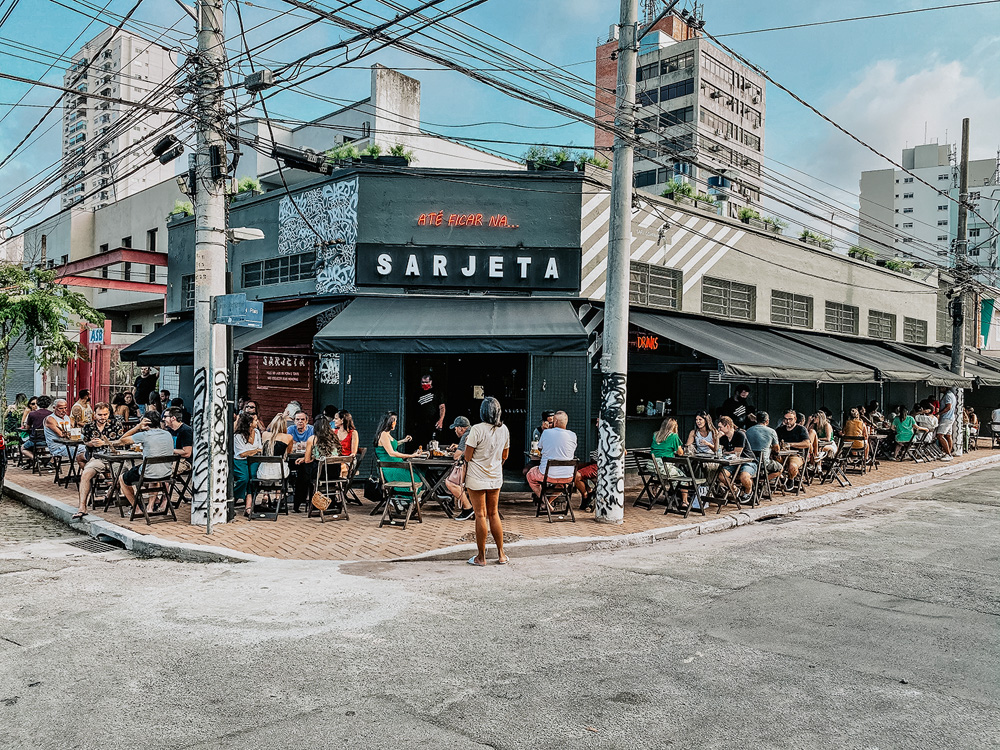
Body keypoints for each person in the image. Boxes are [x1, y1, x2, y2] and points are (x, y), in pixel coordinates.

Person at [463, 397, 510, 566]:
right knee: (494, 513)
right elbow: (505, 455)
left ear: (482, 412)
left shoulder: (476, 429)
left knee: (480, 515)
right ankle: (501, 554)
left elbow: (467, 456)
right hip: (495, 476)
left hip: (476, 477)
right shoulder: (504, 429)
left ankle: (481, 557)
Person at [117, 412, 176, 513]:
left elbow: (122, 440)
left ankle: (137, 509)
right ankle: (150, 507)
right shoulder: (168, 434)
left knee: (122, 478)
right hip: (165, 473)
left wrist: (137, 427)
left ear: (145, 422)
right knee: (154, 478)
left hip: (149, 473)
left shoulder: (144, 435)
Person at [75, 402, 125, 519]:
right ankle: (82, 507)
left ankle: (110, 492)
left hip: (114, 458)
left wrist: (106, 443)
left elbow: (122, 443)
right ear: (95, 415)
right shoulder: (88, 427)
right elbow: (85, 442)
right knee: (85, 474)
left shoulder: (116, 425)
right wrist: (90, 444)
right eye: (100, 415)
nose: (103, 417)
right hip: (98, 457)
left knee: (122, 475)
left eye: (105, 414)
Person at [525, 410, 576, 500]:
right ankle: (549, 502)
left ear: (555, 422)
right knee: (563, 483)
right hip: (568, 476)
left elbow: (539, 448)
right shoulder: (573, 435)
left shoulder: (546, 432)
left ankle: (546, 502)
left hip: (547, 474)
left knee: (530, 475)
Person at [294, 415, 340, 511]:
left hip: (321, 473)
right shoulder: (334, 437)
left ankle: (298, 503)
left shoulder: (313, 439)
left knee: (302, 472)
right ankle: (330, 502)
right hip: (334, 473)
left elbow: (307, 460)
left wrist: (307, 458)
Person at [373, 411, 418, 509]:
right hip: (390, 467)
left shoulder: (387, 434)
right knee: (415, 475)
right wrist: (411, 456)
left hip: (395, 464)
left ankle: (401, 497)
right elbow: (392, 453)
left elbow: (393, 444)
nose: (395, 423)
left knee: (418, 471)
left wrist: (404, 440)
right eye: (394, 421)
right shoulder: (384, 435)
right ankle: (401, 497)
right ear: (389, 422)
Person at [648, 417, 689, 509]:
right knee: (684, 479)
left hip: (652, 465)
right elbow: (680, 453)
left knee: (664, 475)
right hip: (664, 466)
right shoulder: (674, 436)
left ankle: (655, 487)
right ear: (674, 427)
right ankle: (684, 501)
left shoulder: (655, 434)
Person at [716, 416, 756, 504]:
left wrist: (725, 452)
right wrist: (717, 438)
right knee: (721, 475)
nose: (719, 429)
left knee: (744, 477)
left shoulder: (740, 434)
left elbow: (738, 452)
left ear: (728, 426)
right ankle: (734, 489)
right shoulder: (723, 437)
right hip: (732, 463)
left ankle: (748, 492)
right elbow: (718, 450)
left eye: (720, 427)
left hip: (747, 461)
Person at [443, 416, 474, 521]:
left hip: (471, 471)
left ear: (461, 428)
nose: (455, 431)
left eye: (455, 428)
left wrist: (457, 450)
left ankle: (468, 508)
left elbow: (456, 456)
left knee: (450, 482)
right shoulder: (473, 431)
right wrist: (459, 447)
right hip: (480, 468)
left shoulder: (466, 435)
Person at [233, 413, 262, 517]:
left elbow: (260, 448)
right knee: (244, 479)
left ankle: (248, 504)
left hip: (254, 460)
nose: (257, 422)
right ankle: (233, 496)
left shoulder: (257, 432)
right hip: (240, 461)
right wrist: (255, 450)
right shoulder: (237, 436)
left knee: (253, 477)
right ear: (249, 423)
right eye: (255, 420)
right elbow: (242, 453)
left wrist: (252, 451)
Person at [774, 409, 811, 487]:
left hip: (796, 455)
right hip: (782, 454)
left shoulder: (801, 429)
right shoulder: (780, 430)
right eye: (786, 419)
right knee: (772, 464)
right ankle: (781, 478)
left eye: (790, 419)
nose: (788, 421)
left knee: (792, 466)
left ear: (795, 419)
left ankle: (791, 480)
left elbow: (807, 443)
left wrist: (791, 444)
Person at [256, 413, 293, 485]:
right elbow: (289, 452)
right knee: (288, 464)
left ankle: (266, 494)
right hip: (280, 473)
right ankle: (278, 491)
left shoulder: (265, 434)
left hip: (263, 472)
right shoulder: (288, 437)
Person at [746, 411, 782, 482]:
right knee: (780, 468)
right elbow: (777, 449)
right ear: (767, 421)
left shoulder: (748, 430)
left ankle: (756, 482)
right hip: (764, 463)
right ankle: (762, 481)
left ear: (756, 420)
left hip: (750, 462)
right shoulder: (771, 431)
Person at [415, 373, 446, 447]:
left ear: (431, 382)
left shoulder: (437, 392)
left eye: (426, 382)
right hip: (421, 423)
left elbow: (442, 407)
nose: (424, 384)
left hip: (434, 422)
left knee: (434, 443)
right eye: (423, 382)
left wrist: (441, 420)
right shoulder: (418, 392)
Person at [20, 395, 52, 462]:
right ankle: (47, 461)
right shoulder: (51, 414)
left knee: (23, 448)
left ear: (38, 403)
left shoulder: (32, 414)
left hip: (34, 441)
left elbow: (27, 427)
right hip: (48, 440)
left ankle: (36, 459)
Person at [161, 407, 193, 474]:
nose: (163, 419)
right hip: (171, 459)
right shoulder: (169, 430)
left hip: (184, 461)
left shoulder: (186, 431)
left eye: (165, 416)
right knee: (152, 469)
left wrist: (169, 450)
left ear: (173, 418)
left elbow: (187, 453)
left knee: (163, 472)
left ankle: (164, 484)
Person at [43, 399, 73, 463]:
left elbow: (74, 431)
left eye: (65, 408)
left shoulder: (67, 418)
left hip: (68, 445)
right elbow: (61, 434)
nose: (64, 411)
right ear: (54, 408)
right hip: (58, 448)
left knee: (86, 449)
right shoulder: (50, 419)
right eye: (61, 408)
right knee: (83, 450)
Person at [935, 386, 956, 460]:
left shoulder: (948, 396)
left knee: (940, 435)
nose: (939, 389)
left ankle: (948, 454)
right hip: (950, 417)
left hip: (946, 417)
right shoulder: (951, 395)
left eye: (941, 388)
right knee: (948, 435)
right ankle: (949, 452)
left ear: (945, 388)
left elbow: (948, 407)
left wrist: (939, 413)